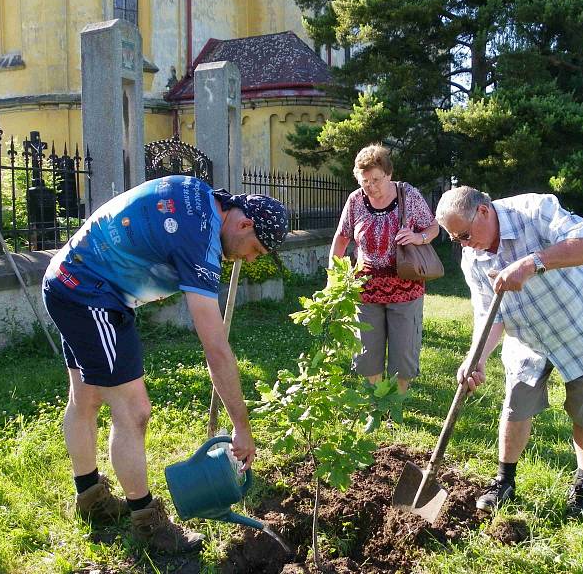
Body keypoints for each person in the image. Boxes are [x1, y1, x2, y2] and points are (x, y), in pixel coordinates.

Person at [42, 175, 288, 553]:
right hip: (89, 292)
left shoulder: (202, 197)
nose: (250, 259)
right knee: (134, 411)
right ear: (244, 223)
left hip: (67, 278)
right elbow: (216, 348)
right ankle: (147, 524)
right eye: (254, 249)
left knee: (86, 397)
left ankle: (92, 501)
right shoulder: (200, 240)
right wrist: (241, 426)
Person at [435, 187, 583, 518]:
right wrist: (475, 357)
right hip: (528, 338)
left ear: (482, 211)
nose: (463, 244)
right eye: (456, 240)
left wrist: (533, 263)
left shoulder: (535, 210)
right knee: (515, 409)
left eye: (464, 235)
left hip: (582, 327)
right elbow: (490, 314)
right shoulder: (473, 258)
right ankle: (504, 481)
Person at [330, 144, 439, 395]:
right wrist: (333, 277)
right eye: (364, 181)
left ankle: (395, 404)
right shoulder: (356, 200)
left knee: (403, 353)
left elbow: (432, 227)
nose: (370, 187)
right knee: (368, 351)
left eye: (376, 180)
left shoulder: (408, 195)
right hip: (366, 289)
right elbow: (341, 237)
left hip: (405, 287)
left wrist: (417, 237)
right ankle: (375, 406)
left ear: (389, 174)